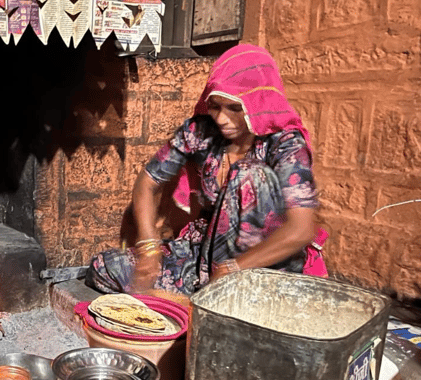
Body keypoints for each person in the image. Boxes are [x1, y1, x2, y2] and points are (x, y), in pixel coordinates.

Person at [85, 43, 327, 296]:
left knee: (248, 174)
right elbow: (147, 182)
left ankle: (199, 303)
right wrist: (149, 246)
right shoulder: (202, 132)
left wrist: (233, 268)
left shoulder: (285, 145)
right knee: (105, 268)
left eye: (235, 108)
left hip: (259, 269)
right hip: (206, 259)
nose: (222, 118)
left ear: (258, 102)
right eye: (216, 106)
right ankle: (195, 302)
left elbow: (300, 231)